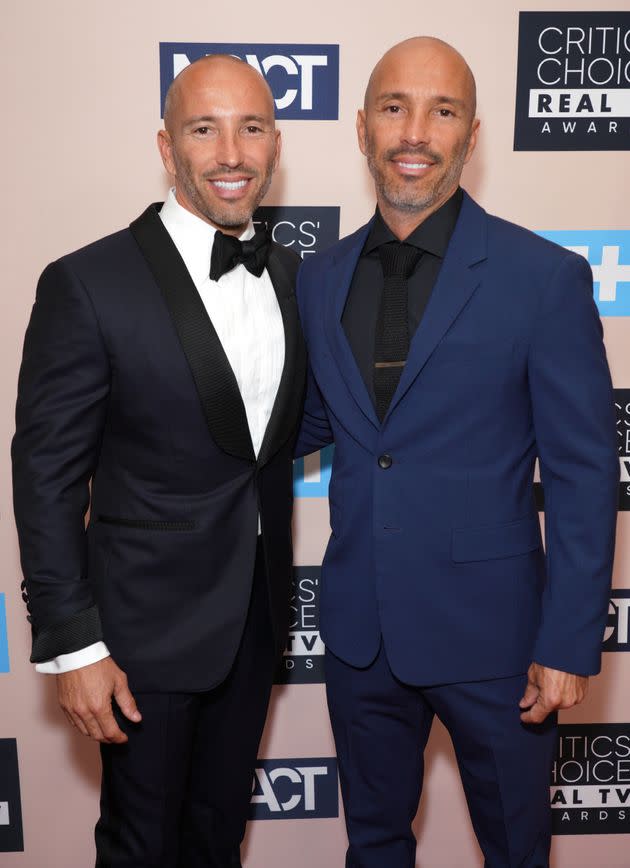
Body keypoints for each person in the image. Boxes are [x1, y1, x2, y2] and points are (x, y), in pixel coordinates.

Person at [295, 36, 618, 867]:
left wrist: (568, 641)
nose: (416, 132)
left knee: (517, 849)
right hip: (361, 636)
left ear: (472, 137)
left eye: (443, 111)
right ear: (363, 126)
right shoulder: (317, 278)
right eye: (396, 108)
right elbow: (301, 425)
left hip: (500, 642)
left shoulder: (543, 277)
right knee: (373, 848)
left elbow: (584, 473)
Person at [12, 54, 305, 868]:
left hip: (254, 621)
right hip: (137, 638)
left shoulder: (292, 277)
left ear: (275, 144)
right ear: (166, 146)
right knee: (141, 848)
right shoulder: (87, 283)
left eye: (251, 128)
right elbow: (46, 476)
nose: (231, 153)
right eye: (204, 129)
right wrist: (74, 645)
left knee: (218, 840)